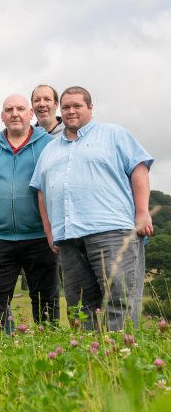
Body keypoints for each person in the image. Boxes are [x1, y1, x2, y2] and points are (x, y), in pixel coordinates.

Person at [31, 86, 153, 330]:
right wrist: (49, 231)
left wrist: (142, 211)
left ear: (90, 107)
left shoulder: (114, 134)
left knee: (119, 298)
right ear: (59, 111)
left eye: (77, 106)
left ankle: (122, 357)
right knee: (80, 306)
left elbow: (138, 168)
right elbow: (41, 192)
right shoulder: (49, 149)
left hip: (112, 230)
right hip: (69, 237)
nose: (71, 111)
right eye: (66, 107)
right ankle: (91, 359)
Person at [0, 94, 58, 330]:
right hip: (0, 237)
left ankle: (50, 344)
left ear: (31, 114)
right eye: (9, 109)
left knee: (45, 298)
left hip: (40, 236)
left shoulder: (49, 144)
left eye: (21, 109)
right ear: (1, 116)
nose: (15, 114)